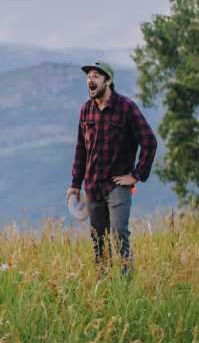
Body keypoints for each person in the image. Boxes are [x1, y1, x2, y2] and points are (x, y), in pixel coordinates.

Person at [67, 61, 156, 275]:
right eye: (89, 76)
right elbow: (81, 149)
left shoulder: (126, 108)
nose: (91, 79)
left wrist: (136, 175)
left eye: (97, 75)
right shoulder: (86, 110)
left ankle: (126, 285)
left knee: (118, 234)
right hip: (92, 186)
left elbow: (149, 141)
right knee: (99, 240)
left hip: (117, 185)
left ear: (108, 81)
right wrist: (75, 184)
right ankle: (103, 287)